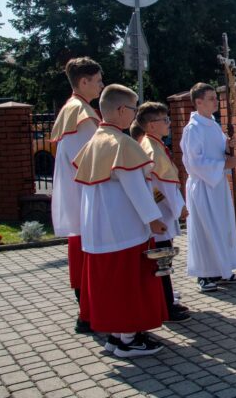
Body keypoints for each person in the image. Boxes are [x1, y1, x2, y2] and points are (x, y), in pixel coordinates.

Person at [74, 84, 168, 357]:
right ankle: (128, 339)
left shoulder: (94, 142)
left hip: (99, 231)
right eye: (133, 109)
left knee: (109, 287)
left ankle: (116, 336)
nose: (134, 116)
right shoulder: (121, 143)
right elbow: (135, 187)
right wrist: (153, 219)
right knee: (127, 285)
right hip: (124, 230)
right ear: (119, 110)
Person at [49, 57, 103, 333]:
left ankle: (89, 311)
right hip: (86, 196)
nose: (101, 86)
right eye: (98, 81)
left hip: (77, 194)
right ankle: (89, 313)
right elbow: (90, 162)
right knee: (88, 254)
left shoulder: (73, 109)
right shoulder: (82, 115)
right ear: (84, 82)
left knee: (81, 250)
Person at [181, 83, 236, 293]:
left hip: (217, 186)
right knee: (205, 229)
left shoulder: (213, 124)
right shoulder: (193, 129)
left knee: (222, 226)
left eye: (216, 97)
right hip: (203, 186)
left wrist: (227, 146)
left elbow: (220, 148)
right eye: (211, 98)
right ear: (198, 102)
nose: (217, 101)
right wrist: (224, 164)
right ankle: (204, 274)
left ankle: (221, 269)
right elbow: (194, 163)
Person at [137, 102, 191, 322]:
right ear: (151, 125)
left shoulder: (151, 144)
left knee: (163, 258)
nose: (168, 124)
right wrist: (180, 207)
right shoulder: (152, 148)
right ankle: (166, 306)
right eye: (164, 120)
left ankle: (166, 301)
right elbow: (166, 184)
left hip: (159, 211)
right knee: (162, 259)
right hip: (160, 213)